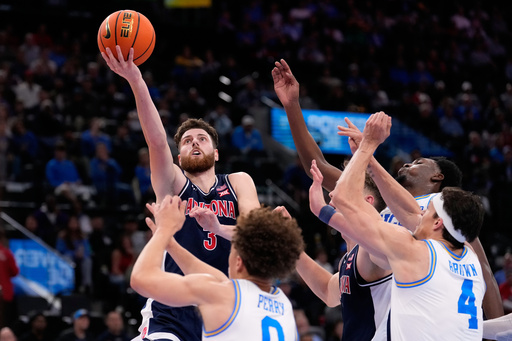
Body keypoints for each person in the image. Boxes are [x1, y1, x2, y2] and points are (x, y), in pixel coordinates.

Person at [272, 58, 504, 320]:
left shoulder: (445, 214)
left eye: (419, 162)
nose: (408, 162)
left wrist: (494, 333)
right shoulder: (380, 200)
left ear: (438, 177)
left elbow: (484, 272)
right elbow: (319, 167)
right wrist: (292, 106)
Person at [101, 46, 260, 341]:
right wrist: (136, 80)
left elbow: (257, 234)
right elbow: (158, 142)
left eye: (202, 139)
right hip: (174, 305)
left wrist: (216, 227)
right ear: (179, 155)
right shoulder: (173, 183)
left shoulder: (239, 181)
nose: (194, 143)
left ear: (216, 154)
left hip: (226, 306)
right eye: (187, 141)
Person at [326, 111, 485, 339]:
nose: (420, 213)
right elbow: (410, 211)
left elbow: (342, 196)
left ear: (438, 222)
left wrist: (369, 144)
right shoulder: (468, 256)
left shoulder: (413, 249)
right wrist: (369, 159)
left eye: (426, 212)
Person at [130, 195, 303, 341]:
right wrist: (170, 244)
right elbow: (212, 276)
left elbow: (140, 279)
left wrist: (164, 230)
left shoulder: (223, 295)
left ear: (239, 262)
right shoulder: (283, 303)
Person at [0, 227, 19, 329]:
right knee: (4, 324)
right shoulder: (7, 253)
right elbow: (15, 272)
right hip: (5, 294)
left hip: (4, 293)